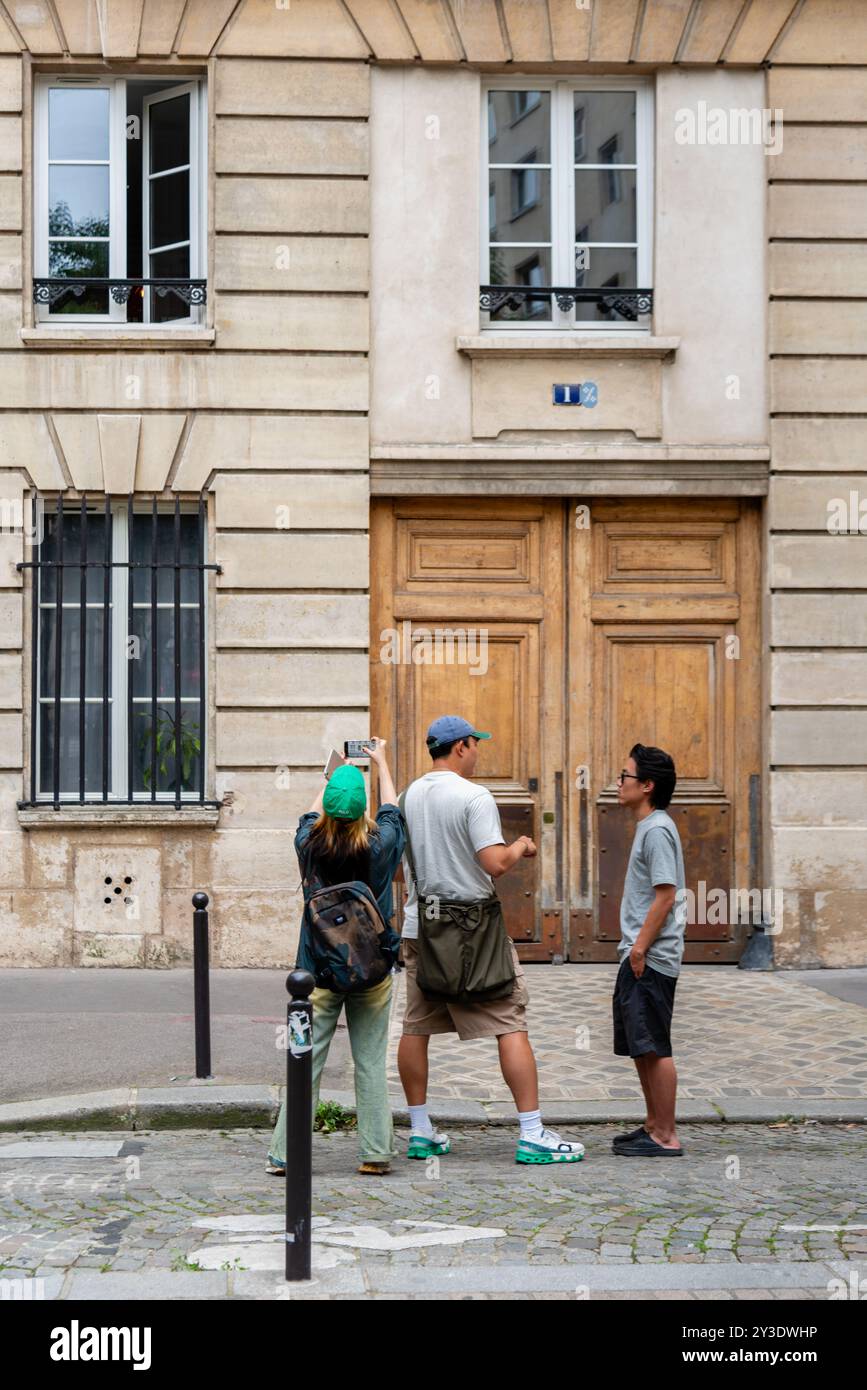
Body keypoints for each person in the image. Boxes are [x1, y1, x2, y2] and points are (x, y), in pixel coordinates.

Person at [397, 715, 584, 1166]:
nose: (479, 752)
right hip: (472, 932)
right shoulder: (474, 797)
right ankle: (532, 1133)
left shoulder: (407, 796)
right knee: (509, 1019)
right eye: (476, 745)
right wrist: (522, 845)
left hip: (421, 927)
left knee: (416, 1026)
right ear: (461, 746)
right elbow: (494, 863)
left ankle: (420, 1131)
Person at [267, 738, 405, 1177]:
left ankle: (285, 1154)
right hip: (372, 971)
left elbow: (308, 817)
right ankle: (375, 1152)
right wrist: (380, 761)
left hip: (315, 974)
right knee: (370, 1061)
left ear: (328, 807)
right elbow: (393, 810)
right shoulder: (380, 847)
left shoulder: (309, 844)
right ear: (361, 808)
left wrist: (331, 774)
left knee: (304, 1059)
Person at [611, 743, 687, 1157]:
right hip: (639, 954)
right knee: (642, 1044)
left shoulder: (656, 829)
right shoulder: (650, 826)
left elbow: (665, 896)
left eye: (625, 776)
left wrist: (639, 949)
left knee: (655, 1045)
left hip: (650, 957)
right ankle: (653, 1125)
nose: (619, 783)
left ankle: (666, 1135)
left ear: (647, 784)